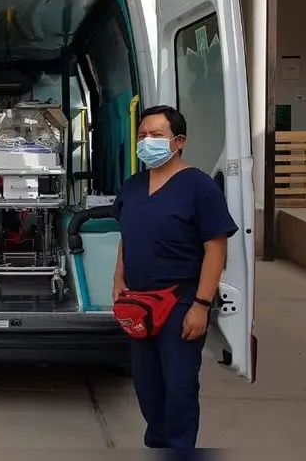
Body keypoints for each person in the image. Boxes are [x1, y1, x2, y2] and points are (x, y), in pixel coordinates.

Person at [111, 105, 238, 450]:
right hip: (138, 300)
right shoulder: (133, 186)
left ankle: (180, 447)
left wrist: (200, 304)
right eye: (141, 136)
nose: (146, 142)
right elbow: (128, 235)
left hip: (180, 300)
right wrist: (118, 280)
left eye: (156, 135)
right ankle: (158, 444)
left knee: (179, 385)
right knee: (147, 385)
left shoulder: (199, 187)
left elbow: (216, 249)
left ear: (178, 141)